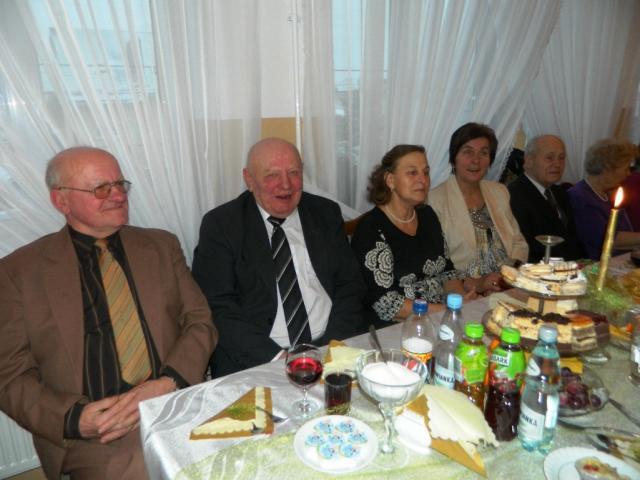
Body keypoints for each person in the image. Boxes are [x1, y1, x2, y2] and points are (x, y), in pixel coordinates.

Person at [0, 147, 218, 480]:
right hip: (99, 431)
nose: (118, 195)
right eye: (101, 188)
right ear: (61, 201)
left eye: (119, 184)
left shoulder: (160, 246)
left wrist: (168, 382)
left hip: (173, 400)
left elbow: (200, 322)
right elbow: (10, 375)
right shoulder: (19, 272)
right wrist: (75, 419)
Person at [192, 138, 365, 377]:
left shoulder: (325, 213)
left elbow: (350, 285)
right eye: (272, 175)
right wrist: (278, 359)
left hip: (330, 346)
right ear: (249, 179)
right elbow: (217, 307)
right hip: (259, 358)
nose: (286, 185)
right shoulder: (221, 225)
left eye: (294, 173)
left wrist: (332, 347)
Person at [351, 145, 470, 328]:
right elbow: (386, 303)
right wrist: (444, 311)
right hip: (394, 327)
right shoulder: (371, 229)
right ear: (390, 180)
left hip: (439, 317)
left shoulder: (427, 215)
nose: (423, 179)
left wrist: (460, 300)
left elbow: (447, 272)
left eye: (426, 172)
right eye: (412, 173)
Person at [429, 122, 528, 289]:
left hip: (508, 283)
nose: (476, 160)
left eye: (484, 153)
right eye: (468, 152)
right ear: (454, 158)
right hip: (466, 290)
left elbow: (519, 242)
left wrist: (510, 275)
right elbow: (438, 264)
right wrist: (481, 284)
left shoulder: (499, 191)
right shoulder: (434, 200)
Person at [508, 135, 584, 261]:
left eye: (561, 158)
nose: (557, 164)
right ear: (529, 160)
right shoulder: (513, 196)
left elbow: (572, 238)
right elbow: (525, 249)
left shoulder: (560, 193)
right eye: (549, 157)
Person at [568, 138, 640, 259]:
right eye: (626, 168)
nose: (628, 173)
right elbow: (607, 239)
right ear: (608, 169)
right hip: (596, 265)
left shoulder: (605, 194)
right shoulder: (580, 197)